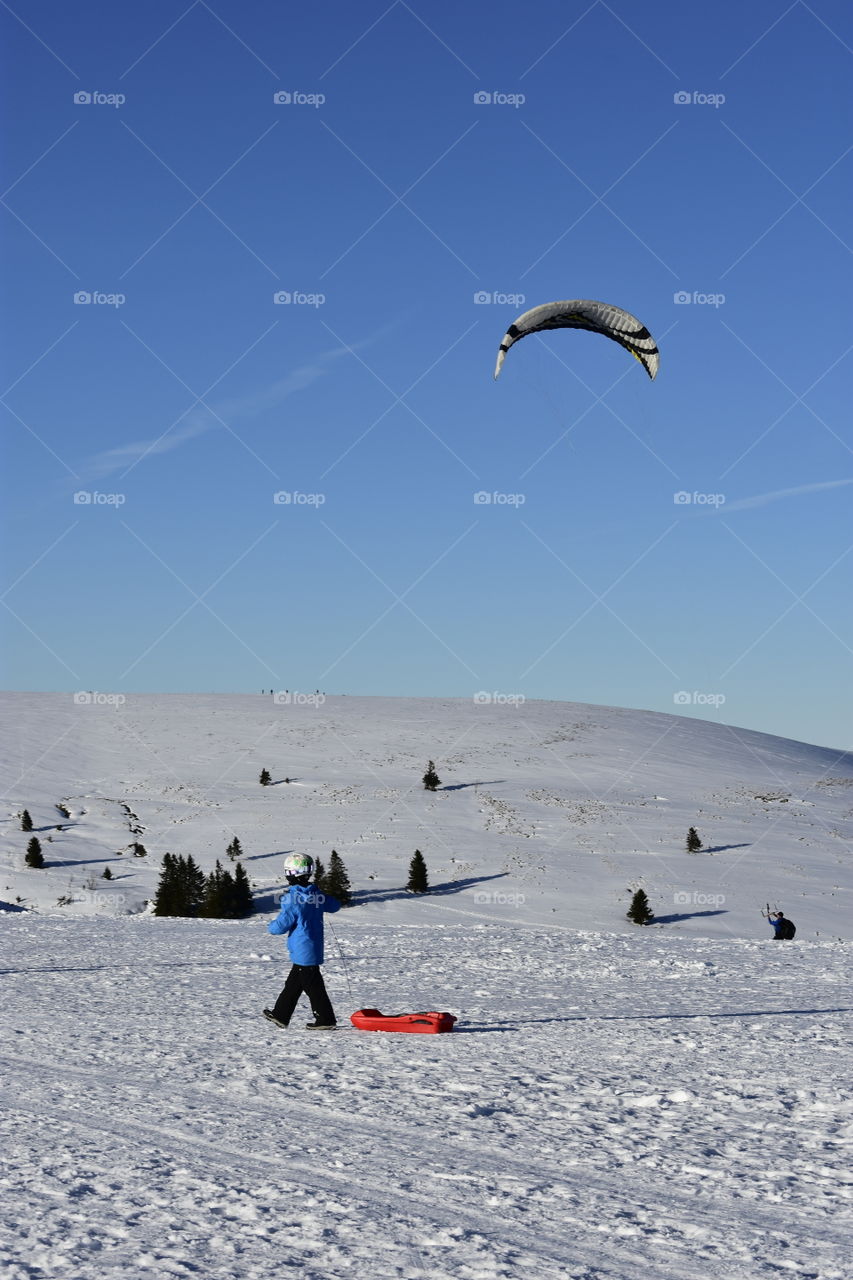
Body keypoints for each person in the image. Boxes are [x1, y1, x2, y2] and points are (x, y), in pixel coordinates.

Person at [263, 853, 341, 1029]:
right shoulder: (316, 895)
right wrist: (319, 893)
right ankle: (280, 1015)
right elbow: (335, 905)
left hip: (302, 950)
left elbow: (279, 928)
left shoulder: (293, 899)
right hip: (311, 949)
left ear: (291, 874)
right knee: (294, 984)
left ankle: (326, 1020)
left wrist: (271, 924)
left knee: (314, 987)